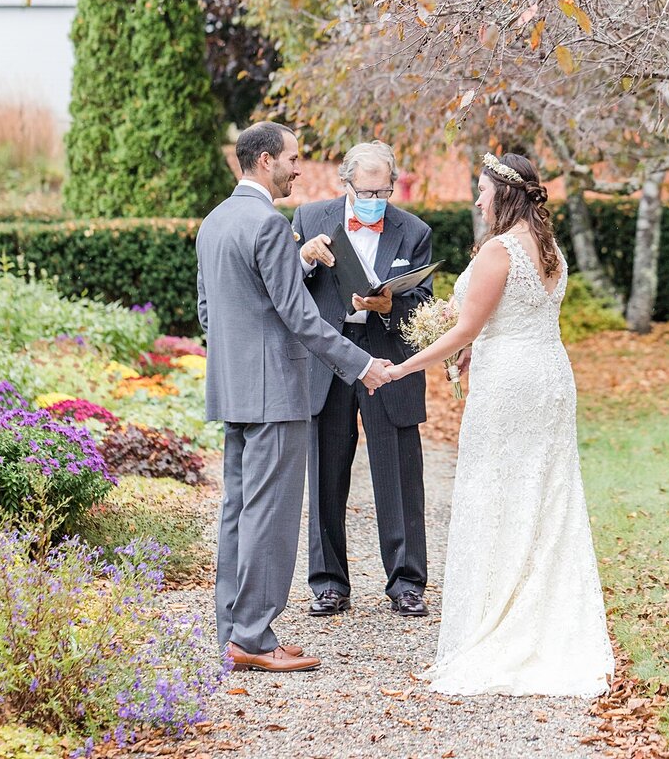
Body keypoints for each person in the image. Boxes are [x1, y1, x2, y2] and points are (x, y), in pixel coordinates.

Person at [389, 151, 614, 696]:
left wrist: (402, 367)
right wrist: (472, 348)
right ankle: (544, 612)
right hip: (549, 376)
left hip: (512, 384)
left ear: (504, 195)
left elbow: (467, 327)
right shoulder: (548, 247)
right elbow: (511, 318)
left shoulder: (499, 249)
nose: (476, 199)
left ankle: (504, 622)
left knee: (498, 493)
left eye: (482, 191)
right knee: (545, 495)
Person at [196, 123, 392, 674]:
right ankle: (256, 638)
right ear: (264, 161)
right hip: (278, 393)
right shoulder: (268, 226)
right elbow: (300, 317)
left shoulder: (213, 223)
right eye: (292, 158)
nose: (299, 168)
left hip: (233, 391)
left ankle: (232, 632)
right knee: (272, 516)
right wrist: (361, 366)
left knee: (238, 512)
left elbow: (209, 315)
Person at [293, 140, 433, 618]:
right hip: (328, 362)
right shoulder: (309, 219)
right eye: (368, 189)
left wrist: (393, 306)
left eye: (385, 189)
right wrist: (306, 258)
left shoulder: (414, 231)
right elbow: (287, 291)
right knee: (325, 473)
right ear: (345, 183)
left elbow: (424, 306)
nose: (377, 197)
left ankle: (407, 582)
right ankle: (329, 583)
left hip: (388, 361)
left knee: (398, 473)